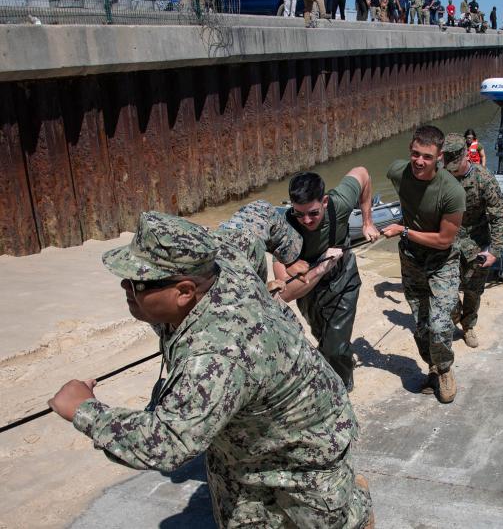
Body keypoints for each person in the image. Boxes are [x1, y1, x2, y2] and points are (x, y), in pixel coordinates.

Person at [48, 211, 374, 528]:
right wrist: (291, 255)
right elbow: (261, 214)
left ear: (184, 292)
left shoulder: (216, 354)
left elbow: (168, 444)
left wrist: (83, 409)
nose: (125, 286)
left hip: (306, 444)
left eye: (139, 282)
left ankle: (354, 507)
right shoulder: (217, 255)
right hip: (241, 440)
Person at [274, 168, 380, 392]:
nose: (306, 220)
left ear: (324, 201)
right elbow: (285, 293)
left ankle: (341, 389)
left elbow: (363, 174)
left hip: (343, 278)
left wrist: (367, 222)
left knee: (334, 348)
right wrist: (320, 268)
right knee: (323, 336)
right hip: (309, 289)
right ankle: (339, 358)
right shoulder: (284, 229)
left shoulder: (339, 203)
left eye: (313, 213)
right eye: (299, 213)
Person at [381, 126, 465, 404]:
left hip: (442, 261)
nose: (419, 161)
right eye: (415, 154)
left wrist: (403, 230)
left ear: (439, 157)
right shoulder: (398, 171)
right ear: (410, 150)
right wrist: (367, 220)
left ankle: (445, 370)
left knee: (440, 326)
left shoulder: (452, 191)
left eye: (427, 157)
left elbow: (444, 240)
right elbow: (362, 179)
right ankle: (432, 367)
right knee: (421, 324)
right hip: (411, 259)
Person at [443, 133, 503, 349]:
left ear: (466, 156)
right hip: (447, 241)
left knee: (473, 290)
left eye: (455, 165)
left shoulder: (483, 178)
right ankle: (455, 315)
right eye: (448, 164)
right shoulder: (441, 175)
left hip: (476, 242)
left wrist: (495, 250)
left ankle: (468, 325)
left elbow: (499, 215)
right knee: (445, 288)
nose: (452, 169)